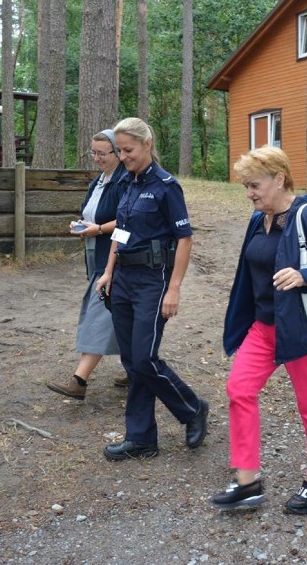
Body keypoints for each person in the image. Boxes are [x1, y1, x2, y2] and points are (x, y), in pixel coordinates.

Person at [210, 146, 307, 514]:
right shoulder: (259, 219)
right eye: (245, 187)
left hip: (300, 330)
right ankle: (247, 480)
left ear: (279, 179)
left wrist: (305, 276)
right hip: (263, 327)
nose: (249, 194)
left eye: (254, 185)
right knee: (239, 389)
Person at [95, 117, 208, 461]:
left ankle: (192, 408)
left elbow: (185, 238)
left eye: (129, 150)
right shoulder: (128, 184)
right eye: (120, 150)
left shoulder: (166, 186)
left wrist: (174, 288)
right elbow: (122, 232)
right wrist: (108, 272)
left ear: (147, 144)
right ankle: (141, 437)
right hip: (123, 280)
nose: (124, 156)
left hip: (153, 279)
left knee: (144, 357)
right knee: (132, 361)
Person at [46, 130, 128, 399]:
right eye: (93, 152)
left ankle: (79, 380)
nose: (96, 158)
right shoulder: (99, 182)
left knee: (99, 311)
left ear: (117, 153)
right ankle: (137, 368)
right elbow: (90, 213)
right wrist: (80, 224)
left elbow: (128, 220)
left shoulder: (125, 181)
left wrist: (99, 229)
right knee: (121, 314)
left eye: (101, 153)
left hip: (116, 256)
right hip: (95, 253)